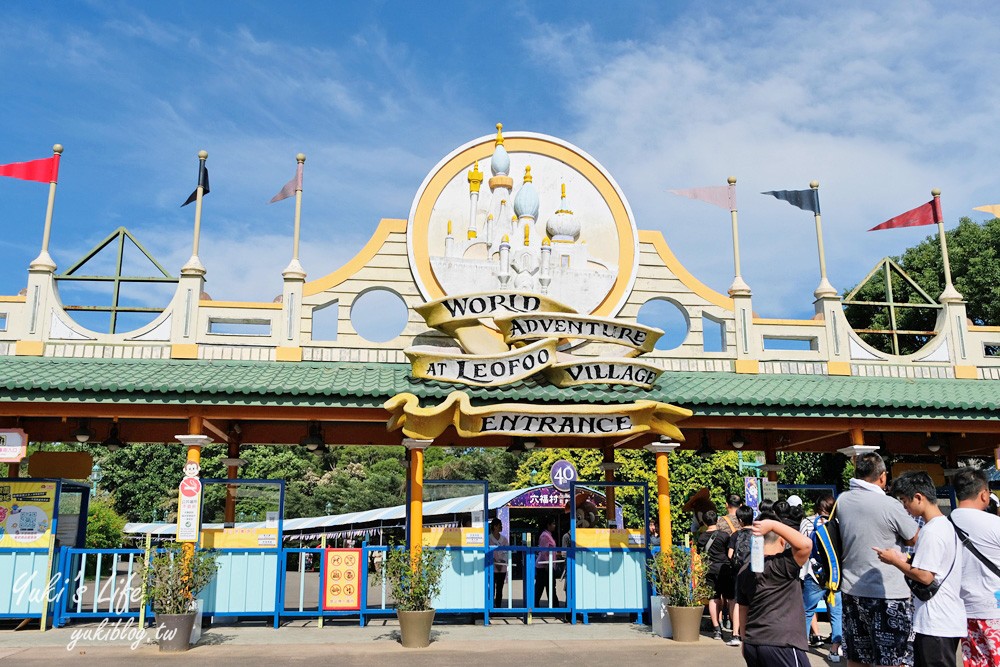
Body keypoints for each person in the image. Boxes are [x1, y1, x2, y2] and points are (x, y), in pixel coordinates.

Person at [836, 452, 919, 667]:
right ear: (882, 476)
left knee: (856, 656)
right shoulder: (890, 504)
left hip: (851, 589)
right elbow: (913, 537)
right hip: (888, 593)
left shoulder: (843, 500)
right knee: (893, 658)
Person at [877, 471, 965, 667]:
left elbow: (925, 576)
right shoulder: (946, 525)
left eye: (905, 500)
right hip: (945, 618)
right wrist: (905, 559)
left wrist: (895, 561)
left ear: (919, 497)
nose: (904, 506)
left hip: (936, 621)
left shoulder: (931, 531)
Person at [736, 511, 813, 667]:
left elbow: (743, 608)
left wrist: (744, 640)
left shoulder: (745, 569)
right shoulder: (782, 564)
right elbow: (806, 544)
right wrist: (773, 525)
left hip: (753, 643)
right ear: (782, 541)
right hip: (781, 643)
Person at [949, 469, 1000, 667]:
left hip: (965, 610)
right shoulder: (995, 524)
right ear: (984, 494)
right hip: (995, 609)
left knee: (976, 663)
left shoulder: (946, 524)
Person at [801, 494, 844, 662]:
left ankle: (801, 646)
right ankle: (835, 649)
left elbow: (805, 546)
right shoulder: (840, 524)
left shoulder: (810, 523)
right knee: (836, 613)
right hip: (835, 577)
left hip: (815, 575)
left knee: (806, 611)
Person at [697, 509, 730, 640]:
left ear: (704, 522)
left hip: (709, 568)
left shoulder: (702, 537)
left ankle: (716, 629)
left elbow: (700, 554)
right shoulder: (724, 536)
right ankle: (731, 626)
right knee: (728, 597)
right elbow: (729, 553)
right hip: (724, 568)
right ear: (717, 520)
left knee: (713, 598)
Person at [727, 504, 755, 647]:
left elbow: (730, 555)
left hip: (740, 573)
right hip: (756, 572)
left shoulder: (735, 535)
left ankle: (736, 634)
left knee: (739, 603)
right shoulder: (758, 534)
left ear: (740, 520)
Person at [716, 493, 742, 632]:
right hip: (743, 562)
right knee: (737, 597)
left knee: (725, 594)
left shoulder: (720, 521)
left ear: (727, 505)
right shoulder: (744, 519)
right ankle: (736, 626)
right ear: (741, 505)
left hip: (725, 561)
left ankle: (724, 620)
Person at [535, 516, 560, 607]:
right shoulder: (545, 536)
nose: (554, 525)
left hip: (547, 565)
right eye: (553, 523)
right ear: (548, 525)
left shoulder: (547, 534)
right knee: (546, 586)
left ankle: (537, 604)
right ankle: (554, 605)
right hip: (545, 566)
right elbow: (545, 551)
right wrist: (547, 564)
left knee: (543, 586)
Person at [489, 518, 509, 608]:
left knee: (500, 589)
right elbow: (488, 553)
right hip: (492, 568)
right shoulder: (488, 539)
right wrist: (495, 562)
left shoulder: (504, 539)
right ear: (495, 526)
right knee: (491, 589)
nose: (501, 526)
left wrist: (502, 562)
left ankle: (498, 608)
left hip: (502, 568)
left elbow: (507, 552)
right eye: (500, 525)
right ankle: (490, 607)